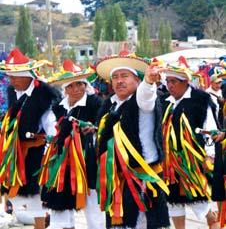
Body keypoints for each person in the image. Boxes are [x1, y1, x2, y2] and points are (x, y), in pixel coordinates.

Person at [96, 55, 170, 229]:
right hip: (117, 180)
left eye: (124, 76)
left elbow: (146, 94)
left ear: (137, 80)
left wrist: (149, 81)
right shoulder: (111, 105)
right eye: (115, 77)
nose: (119, 81)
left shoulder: (142, 100)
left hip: (141, 177)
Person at [39, 59, 105, 229]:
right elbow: (53, 131)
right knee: (61, 207)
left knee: (93, 209)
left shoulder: (95, 103)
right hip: (62, 163)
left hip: (88, 161)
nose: (76, 89)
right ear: (65, 89)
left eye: (79, 84)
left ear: (85, 84)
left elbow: (102, 126)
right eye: (71, 86)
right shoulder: (58, 108)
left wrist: (93, 129)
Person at [155, 63, 219, 229]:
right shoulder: (164, 101)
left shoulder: (200, 100)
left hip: (192, 162)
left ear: (185, 82)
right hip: (169, 164)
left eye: (174, 81)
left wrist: (209, 155)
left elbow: (210, 128)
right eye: (167, 81)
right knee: (174, 203)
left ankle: (214, 224)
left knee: (200, 202)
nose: (169, 85)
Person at [0, 48, 58, 229]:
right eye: (10, 76)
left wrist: (52, 140)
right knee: (16, 193)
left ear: (29, 76)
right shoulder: (12, 91)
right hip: (14, 151)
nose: (12, 80)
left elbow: (50, 121)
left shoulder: (43, 96)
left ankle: (40, 225)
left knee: (32, 195)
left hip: (34, 151)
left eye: (16, 76)